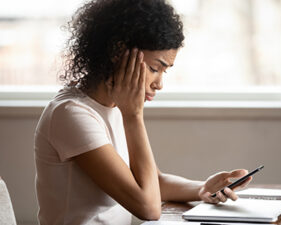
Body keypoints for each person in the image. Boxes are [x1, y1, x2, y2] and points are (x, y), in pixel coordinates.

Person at [34, 0, 252, 224]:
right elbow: (148, 208)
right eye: (154, 68)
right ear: (117, 51)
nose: (159, 84)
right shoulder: (71, 114)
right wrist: (133, 116)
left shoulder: (115, 106)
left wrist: (203, 189)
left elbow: (153, 182)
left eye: (163, 72)